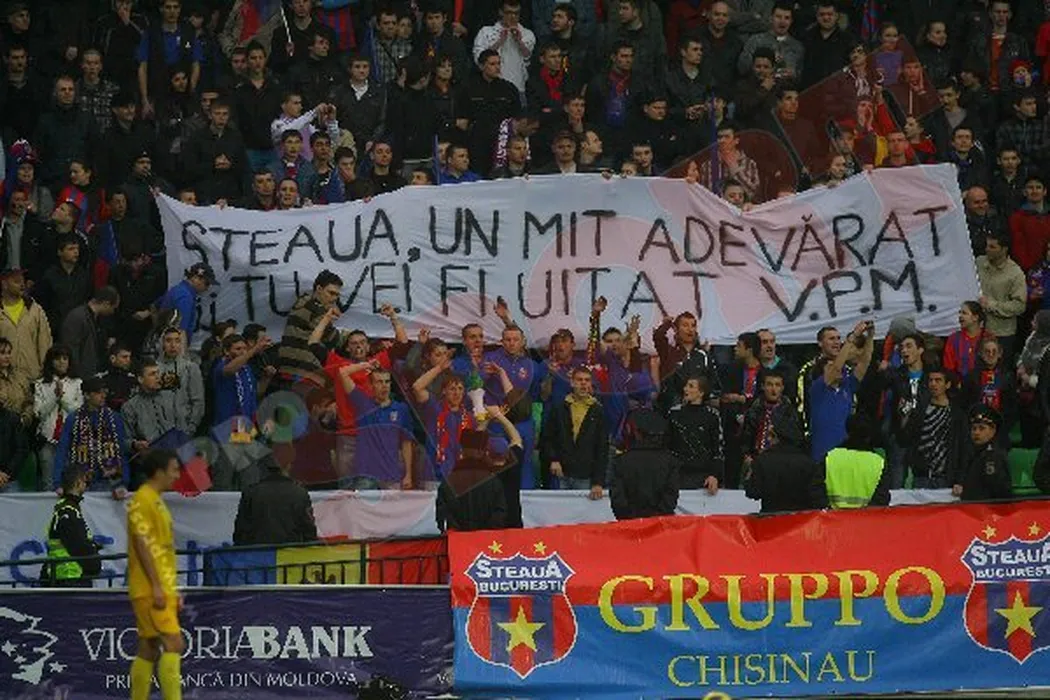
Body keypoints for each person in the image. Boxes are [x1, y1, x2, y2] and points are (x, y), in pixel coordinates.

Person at [127, 448, 185, 700]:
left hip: (159, 585)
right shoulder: (143, 499)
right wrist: (157, 586)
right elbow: (142, 544)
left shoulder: (155, 500)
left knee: (149, 648)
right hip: (150, 588)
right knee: (174, 643)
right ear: (159, 472)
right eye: (174, 470)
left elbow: (162, 550)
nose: (177, 475)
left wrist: (172, 587)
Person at [436, 405, 520, 532]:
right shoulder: (498, 479)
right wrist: (497, 415)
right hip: (490, 540)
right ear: (485, 453)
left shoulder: (450, 481)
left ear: (462, 452)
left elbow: (443, 516)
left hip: (459, 539)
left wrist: (487, 419)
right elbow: (516, 441)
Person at [337, 364, 415, 490]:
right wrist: (367, 364)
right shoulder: (362, 403)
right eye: (379, 382)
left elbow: (406, 442)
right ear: (371, 385)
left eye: (387, 381)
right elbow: (343, 372)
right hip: (366, 475)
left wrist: (408, 474)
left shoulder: (401, 409)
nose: (384, 386)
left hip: (392, 475)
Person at [809, 320, 874, 462]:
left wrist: (870, 337)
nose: (837, 342)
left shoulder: (847, 385)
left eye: (839, 338)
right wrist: (853, 337)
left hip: (846, 454)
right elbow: (836, 367)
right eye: (832, 338)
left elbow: (864, 363)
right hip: (823, 455)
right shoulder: (818, 388)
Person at [54, 376, 129, 497]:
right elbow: (62, 450)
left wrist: (123, 483)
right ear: (87, 395)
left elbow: (121, 451)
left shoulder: (114, 418)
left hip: (111, 481)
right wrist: (58, 483)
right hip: (80, 481)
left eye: (104, 392)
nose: (103, 396)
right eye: (98, 393)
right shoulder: (73, 419)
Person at [542, 367, 608, 498]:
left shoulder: (598, 411)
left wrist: (598, 482)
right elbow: (547, 437)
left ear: (590, 384)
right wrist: (553, 459)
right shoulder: (559, 408)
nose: (583, 383)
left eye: (587, 380)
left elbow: (602, 448)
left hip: (585, 475)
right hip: (560, 472)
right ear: (572, 383)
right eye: (579, 380)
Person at [744, 411, 825, 513]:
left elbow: (753, 492)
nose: (768, 439)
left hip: (771, 517)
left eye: (770, 435)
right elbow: (819, 499)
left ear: (777, 437)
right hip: (801, 519)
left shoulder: (763, 461)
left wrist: (749, 474)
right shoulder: (808, 463)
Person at [900, 367, 967, 489]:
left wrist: (959, 479)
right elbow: (906, 438)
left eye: (938, 380)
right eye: (930, 380)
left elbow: (962, 447)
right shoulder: (920, 410)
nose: (933, 384)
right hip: (921, 476)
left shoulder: (957, 414)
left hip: (945, 478)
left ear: (947, 385)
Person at [277, 269, 344, 387]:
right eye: (331, 293)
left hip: (289, 369)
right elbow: (333, 339)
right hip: (303, 372)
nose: (334, 299)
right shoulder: (316, 309)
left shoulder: (304, 302)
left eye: (337, 295)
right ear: (319, 289)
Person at [610, 408, 680, 519]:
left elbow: (618, 500)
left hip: (630, 524)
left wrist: (630, 519)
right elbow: (671, 496)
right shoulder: (670, 461)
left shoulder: (621, 461)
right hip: (659, 523)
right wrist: (658, 517)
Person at [232, 458, 318, 546]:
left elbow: (240, 532)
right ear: (288, 466)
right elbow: (309, 531)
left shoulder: (251, 492)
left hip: (258, 551)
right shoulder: (299, 493)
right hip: (291, 551)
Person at [42, 468, 101, 587]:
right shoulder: (69, 512)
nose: (86, 485)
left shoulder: (63, 509)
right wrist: (95, 566)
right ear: (77, 482)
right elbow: (79, 546)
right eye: (84, 481)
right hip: (71, 579)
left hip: (64, 577)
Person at [666, 375, 724, 493]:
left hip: (703, 476)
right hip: (677, 474)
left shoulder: (712, 415)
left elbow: (718, 448)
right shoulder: (674, 413)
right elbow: (667, 444)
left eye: (691, 386)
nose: (685, 389)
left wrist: (714, 475)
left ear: (701, 393)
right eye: (686, 386)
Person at [819, 415, 891, 509]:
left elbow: (818, 491)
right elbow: (881, 499)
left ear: (847, 430)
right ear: (869, 435)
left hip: (833, 516)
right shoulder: (878, 463)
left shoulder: (830, 457)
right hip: (864, 517)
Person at [976, 233, 1027, 361]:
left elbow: (1019, 306)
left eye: (992, 247)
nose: (987, 249)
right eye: (987, 245)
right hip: (977, 329)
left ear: (1004, 249)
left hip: (1001, 333)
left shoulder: (1015, 273)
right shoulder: (979, 262)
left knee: (1000, 369)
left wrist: (991, 305)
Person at [0, 266, 52, 379]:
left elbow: (45, 343)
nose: (22, 285)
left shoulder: (35, 310)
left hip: (31, 376)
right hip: (4, 379)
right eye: (16, 281)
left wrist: (46, 373)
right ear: (4, 284)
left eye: (23, 281)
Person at [123, 360, 181, 459]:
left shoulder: (171, 398)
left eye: (158, 372)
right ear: (141, 379)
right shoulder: (130, 407)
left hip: (175, 452)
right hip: (150, 457)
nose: (158, 377)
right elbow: (125, 440)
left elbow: (182, 428)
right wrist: (135, 444)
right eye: (152, 374)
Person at [954, 406, 1013, 502]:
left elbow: (999, 492)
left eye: (982, 428)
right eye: (974, 428)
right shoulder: (972, 453)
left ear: (993, 431)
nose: (976, 433)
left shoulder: (993, 457)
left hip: (987, 509)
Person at [60, 286, 120, 379]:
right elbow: (71, 350)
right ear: (106, 303)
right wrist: (75, 376)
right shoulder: (77, 317)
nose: (113, 312)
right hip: (79, 376)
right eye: (113, 308)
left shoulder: (97, 319)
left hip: (91, 373)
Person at [156, 327, 205, 436]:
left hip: (183, 430)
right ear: (162, 343)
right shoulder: (154, 369)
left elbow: (198, 401)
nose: (173, 345)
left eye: (177, 341)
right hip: (157, 432)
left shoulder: (191, 368)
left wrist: (191, 427)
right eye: (168, 340)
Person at [155, 262, 216, 343]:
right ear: (195, 278)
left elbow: (157, 304)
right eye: (207, 283)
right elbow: (180, 331)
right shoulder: (186, 297)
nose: (207, 288)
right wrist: (183, 350)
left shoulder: (177, 289)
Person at [944, 301, 995, 378]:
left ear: (975, 317)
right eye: (960, 313)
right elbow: (948, 367)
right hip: (960, 382)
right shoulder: (954, 339)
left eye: (964, 313)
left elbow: (994, 364)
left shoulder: (988, 337)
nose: (960, 316)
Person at [97, 342, 137, 411]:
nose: (128, 360)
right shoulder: (101, 379)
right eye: (124, 357)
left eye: (129, 357)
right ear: (113, 358)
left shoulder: (133, 379)